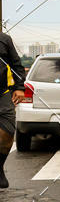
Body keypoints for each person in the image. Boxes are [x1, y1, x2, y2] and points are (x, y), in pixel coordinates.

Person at [0, 33, 27, 188]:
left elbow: (16, 65)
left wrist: (20, 87)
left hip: (3, 94)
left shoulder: (4, 39)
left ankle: (0, 167)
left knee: (8, 134)